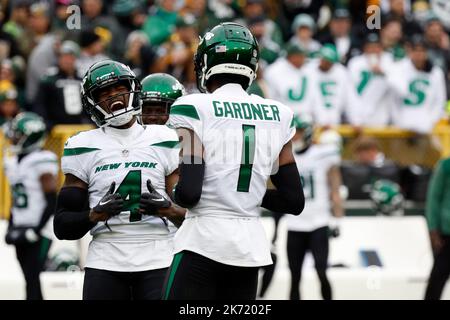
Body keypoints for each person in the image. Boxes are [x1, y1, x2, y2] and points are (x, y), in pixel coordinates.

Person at [163, 22, 305, 300]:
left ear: (207, 61)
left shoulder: (192, 107)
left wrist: (171, 190)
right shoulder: (279, 114)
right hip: (249, 249)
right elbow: (293, 200)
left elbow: (189, 193)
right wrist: (243, 192)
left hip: (201, 241)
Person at [53, 60, 185, 300]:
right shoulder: (82, 145)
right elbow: (62, 226)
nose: (113, 96)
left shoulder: (165, 138)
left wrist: (167, 209)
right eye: (104, 92)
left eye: (119, 89)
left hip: (158, 254)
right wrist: (94, 215)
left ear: (132, 90)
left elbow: (191, 217)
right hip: (105, 258)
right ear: (91, 101)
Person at [285, 115, 343, 300]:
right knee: (294, 277)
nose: (295, 137)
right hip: (295, 223)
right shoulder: (286, 155)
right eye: (294, 132)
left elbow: (335, 188)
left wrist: (337, 219)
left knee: (321, 271)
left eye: (299, 132)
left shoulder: (323, 154)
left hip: (319, 222)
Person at [3, 112, 58, 300]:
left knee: (33, 275)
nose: (14, 137)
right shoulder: (12, 162)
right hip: (20, 224)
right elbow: (16, 198)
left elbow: (51, 199)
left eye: (18, 134)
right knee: (28, 277)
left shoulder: (42, 159)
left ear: (30, 135)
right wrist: (11, 225)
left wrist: (37, 228)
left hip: (40, 228)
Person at [33, 40, 88, 130]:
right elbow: (40, 104)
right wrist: (46, 124)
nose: (66, 61)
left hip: (80, 126)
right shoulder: (49, 79)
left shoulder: (83, 79)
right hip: (56, 128)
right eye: (63, 57)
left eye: (70, 57)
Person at [347, 33, 395, 127]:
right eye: (370, 47)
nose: (373, 50)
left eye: (376, 47)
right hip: (359, 118)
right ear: (364, 48)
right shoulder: (355, 63)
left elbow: (398, 87)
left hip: (382, 120)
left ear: (381, 48)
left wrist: (383, 73)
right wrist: (354, 118)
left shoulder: (389, 62)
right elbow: (350, 92)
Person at [424, 157, 450, 300]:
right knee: (437, 280)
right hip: (447, 233)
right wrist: (433, 229)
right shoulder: (446, 166)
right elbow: (434, 197)